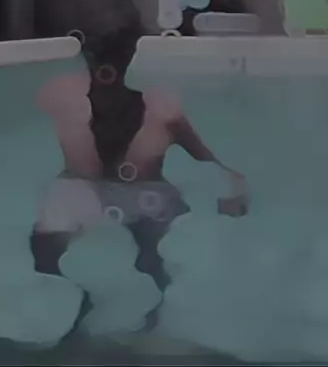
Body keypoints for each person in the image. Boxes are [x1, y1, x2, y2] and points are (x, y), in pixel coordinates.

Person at [30, 26, 249, 300]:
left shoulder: (160, 110)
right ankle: (73, 298)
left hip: (139, 198)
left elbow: (203, 155)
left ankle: (120, 300)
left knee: (155, 259)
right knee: (61, 230)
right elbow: (203, 155)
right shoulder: (67, 99)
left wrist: (231, 185)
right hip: (101, 195)